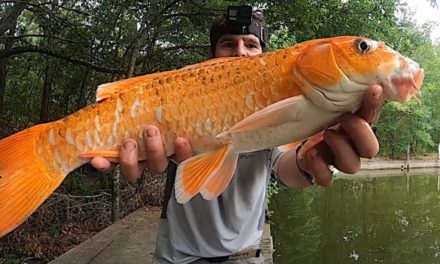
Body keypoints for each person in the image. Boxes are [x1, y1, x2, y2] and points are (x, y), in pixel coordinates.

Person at [91, 7, 384, 264]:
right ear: (209, 57)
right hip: (177, 256)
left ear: (265, 57)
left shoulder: (278, 104)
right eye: (228, 44)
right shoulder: (182, 94)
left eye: (251, 45)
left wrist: (312, 160)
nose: (240, 52)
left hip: (247, 256)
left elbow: (286, 167)